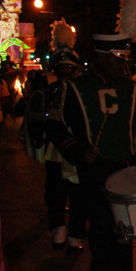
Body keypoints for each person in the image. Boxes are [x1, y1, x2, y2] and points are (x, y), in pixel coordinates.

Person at [45, 0, 136, 271]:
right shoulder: (74, 87)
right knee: (102, 223)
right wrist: (77, 150)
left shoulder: (133, 88)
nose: (124, 63)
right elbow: (54, 124)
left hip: (125, 164)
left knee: (125, 224)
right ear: (103, 56)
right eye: (119, 58)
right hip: (94, 165)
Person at [26, 20, 85, 250]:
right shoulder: (47, 90)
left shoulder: (83, 90)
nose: (66, 70)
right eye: (62, 67)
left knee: (80, 193)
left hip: (79, 147)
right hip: (55, 150)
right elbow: (36, 115)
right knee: (56, 190)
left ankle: (76, 232)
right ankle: (58, 226)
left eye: (69, 67)